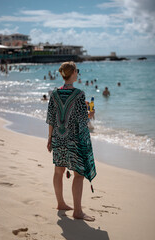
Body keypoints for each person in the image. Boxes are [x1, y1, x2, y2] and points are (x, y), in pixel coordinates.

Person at [46, 61, 96, 221]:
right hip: (74, 139)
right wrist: (91, 113)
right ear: (73, 72)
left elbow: (51, 118)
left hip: (58, 138)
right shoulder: (79, 94)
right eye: (77, 70)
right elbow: (83, 118)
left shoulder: (54, 93)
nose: (78, 73)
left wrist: (49, 138)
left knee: (58, 171)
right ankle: (78, 212)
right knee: (79, 174)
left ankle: (60, 203)